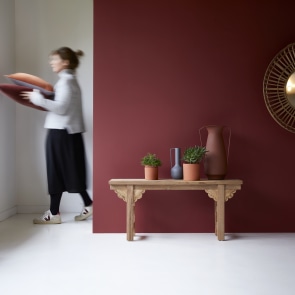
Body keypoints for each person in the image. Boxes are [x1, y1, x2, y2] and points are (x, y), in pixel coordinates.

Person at [21, 47, 92, 224]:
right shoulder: (71, 81)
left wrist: (37, 99)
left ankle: (54, 214)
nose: (51, 62)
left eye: (54, 59)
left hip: (60, 132)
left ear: (65, 62)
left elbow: (61, 108)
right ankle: (88, 204)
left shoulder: (66, 83)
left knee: (56, 172)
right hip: (69, 133)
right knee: (71, 171)